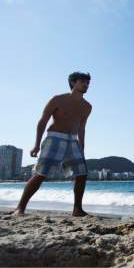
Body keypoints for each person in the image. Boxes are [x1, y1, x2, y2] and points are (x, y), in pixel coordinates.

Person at [12, 72, 92, 217]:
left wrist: (82, 146)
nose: (86, 85)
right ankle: (20, 208)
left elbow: (82, 127)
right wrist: (36, 145)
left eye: (88, 83)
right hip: (55, 138)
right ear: (73, 83)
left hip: (73, 140)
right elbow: (43, 121)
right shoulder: (58, 99)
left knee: (82, 173)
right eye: (83, 82)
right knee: (41, 173)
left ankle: (77, 209)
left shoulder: (87, 106)